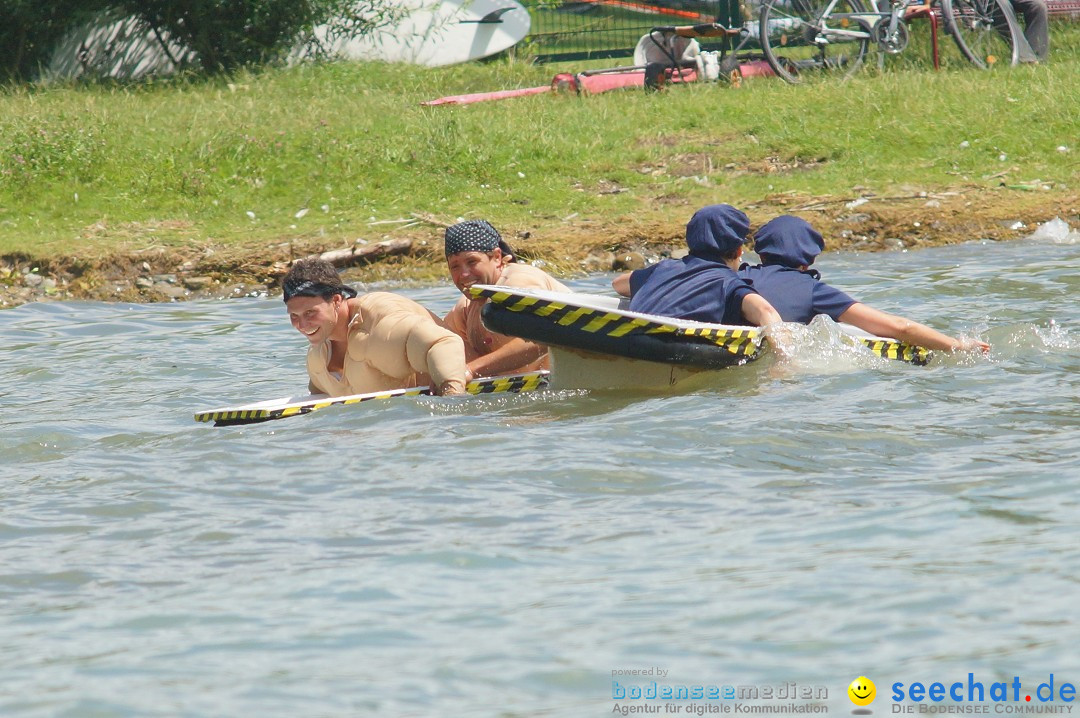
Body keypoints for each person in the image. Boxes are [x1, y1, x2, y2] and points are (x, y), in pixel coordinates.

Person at [737, 214, 990, 352]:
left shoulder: (739, 276)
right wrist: (956, 344)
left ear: (760, 252)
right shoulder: (815, 291)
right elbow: (899, 327)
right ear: (809, 258)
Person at [283, 258, 467, 397]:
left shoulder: (381, 325)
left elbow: (445, 343)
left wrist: (452, 401)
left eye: (310, 313)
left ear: (337, 300)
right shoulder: (318, 355)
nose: (302, 325)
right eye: (294, 316)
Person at [612, 204, 786, 331]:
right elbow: (765, 311)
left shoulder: (663, 268)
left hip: (632, 335)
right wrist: (784, 366)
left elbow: (618, 284)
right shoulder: (729, 284)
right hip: (676, 348)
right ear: (739, 250)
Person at [442, 219, 570, 379]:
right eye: (455, 266)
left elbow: (547, 336)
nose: (464, 274)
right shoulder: (466, 308)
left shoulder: (519, 281)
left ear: (496, 257)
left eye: (472, 261)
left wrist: (471, 370)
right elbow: (442, 342)